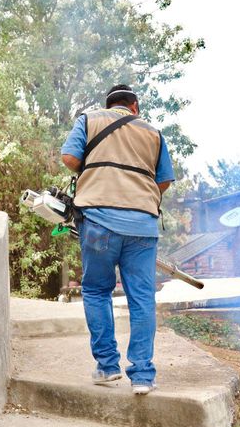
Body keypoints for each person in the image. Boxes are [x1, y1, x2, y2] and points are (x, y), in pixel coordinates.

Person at [61, 84, 174, 395]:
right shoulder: (153, 132)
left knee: (97, 291)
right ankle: (143, 376)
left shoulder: (90, 119)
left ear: (109, 105)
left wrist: (96, 173)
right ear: (134, 107)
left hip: (98, 221)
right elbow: (163, 180)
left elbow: (69, 158)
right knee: (142, 298)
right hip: (142, 226)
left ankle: (108, 366)